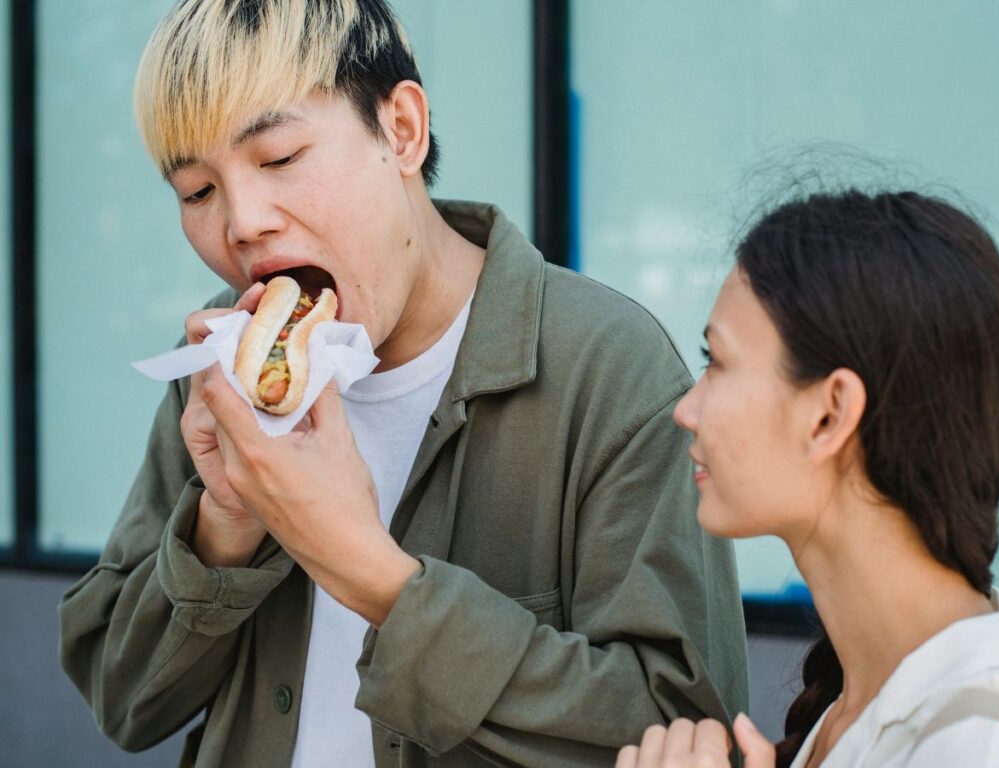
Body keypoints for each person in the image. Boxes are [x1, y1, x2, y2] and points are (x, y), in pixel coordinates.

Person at [58, 1, 748, 766]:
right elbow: (124, 702)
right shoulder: (223, 368)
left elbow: (682, 729)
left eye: (280, 157)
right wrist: (224, 526)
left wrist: (374, 574)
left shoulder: (608, 366)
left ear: (403, 130)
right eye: (196, 191)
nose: (243, 222)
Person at [616, 189, 999, 767]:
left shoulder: (983, 740)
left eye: (718, 362)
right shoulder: (857, 705)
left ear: (830, 414)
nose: (687, 409)